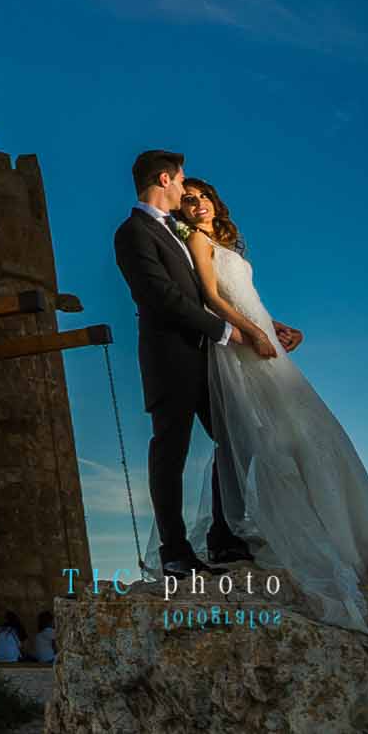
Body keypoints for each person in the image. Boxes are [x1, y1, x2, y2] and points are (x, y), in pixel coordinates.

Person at [161, 177, 368, 632]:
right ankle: (254, 535)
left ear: (214, 203)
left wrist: (278, 326)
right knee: (264, 437)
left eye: (203, 197)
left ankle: (346, 535)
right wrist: (256, 334)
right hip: (239, 347)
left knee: (310, 431)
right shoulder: (198, 242)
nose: (197, 204)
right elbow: (211, 297)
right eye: (188, 199)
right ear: (182, 211)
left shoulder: (225, 244)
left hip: (264, 338)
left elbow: (246, 296)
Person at [113, 150, 256, 578]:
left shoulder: (179, 232)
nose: (185, 189)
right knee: (170, 452)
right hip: (170, 359)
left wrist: (263, 326)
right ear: (164, 178)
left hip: (207, 360)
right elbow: (161, 296)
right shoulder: (132, 233)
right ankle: (174, 551)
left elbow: (213, 293)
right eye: (181, 181)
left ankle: (222, 536)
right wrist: (226, 333)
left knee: (238, 438)